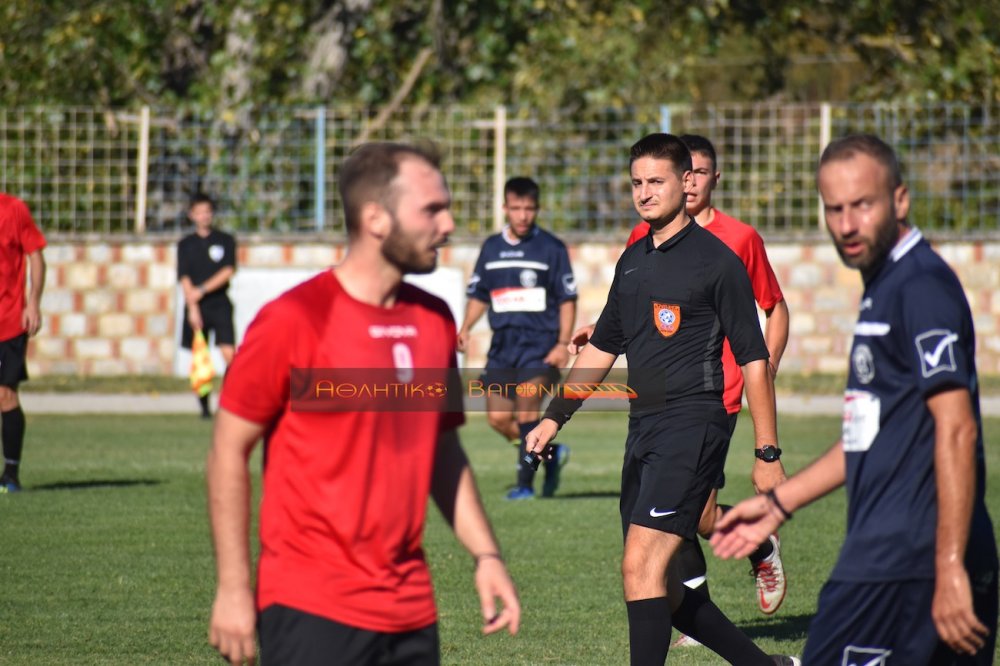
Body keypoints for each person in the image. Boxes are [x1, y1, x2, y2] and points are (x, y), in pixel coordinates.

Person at [207, 142, 520, 665]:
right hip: (311, 608)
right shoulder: (294, 320)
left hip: (411, 610)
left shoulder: (433, 320)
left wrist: (485, 554)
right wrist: (235, 589)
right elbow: (226, 452)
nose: (447, 225)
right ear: (376, 218)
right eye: (432, 210)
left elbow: (442, 449)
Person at [711, 134, 999, 665]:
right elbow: (867, 433)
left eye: (862, 206)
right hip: (895, 552)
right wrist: (779, 504)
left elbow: (957, 428)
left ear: (900, 200)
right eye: (834, 208)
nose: (846, 224)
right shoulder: (884, 284)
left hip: (910, 558)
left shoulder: (921, 287)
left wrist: (951, 564)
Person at [528, 133, 797, 665]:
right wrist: (553, 418)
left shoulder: (717, 262)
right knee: (667, 588)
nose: (645, 193)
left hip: (694, 423)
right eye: (637, 183)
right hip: (644, 425)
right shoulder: (632, 261)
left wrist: (768, 454)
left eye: (657, 181)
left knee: (640, 568)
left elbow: (754, 359)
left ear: (686, 181)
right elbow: (603, 347)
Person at [457, 177, 577, 500]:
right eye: (516, 208)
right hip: (503, 347)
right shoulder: (492, 248)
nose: (523, 215)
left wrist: (562, 343)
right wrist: (466, 326)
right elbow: (480, 294)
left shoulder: (551, 248)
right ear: (505, 208)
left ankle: (525, 484)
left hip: (540, 344)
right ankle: (550, 456)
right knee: (497, 418)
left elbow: (567, 299)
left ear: (537, 209)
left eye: (529, 209)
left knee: (527, 410)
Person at [0, 193, 46, 494]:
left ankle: (11, 475)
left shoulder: (13, 209)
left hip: (9, 320)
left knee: (5, 395)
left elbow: (36, 256)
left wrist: (33, 303)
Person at [177, 193, 237, 418]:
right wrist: (192, 306)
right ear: (192, 215)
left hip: (219, 304)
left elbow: (228, 271)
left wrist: (201, 291)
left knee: (230, 354)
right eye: (199, 212)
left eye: (207, 211)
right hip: (196, 308)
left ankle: (229, 402)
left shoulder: (225, 240)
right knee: (200, 358)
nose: (204, 216)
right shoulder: (186, 245)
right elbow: (183, 276)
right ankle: (204, 408)